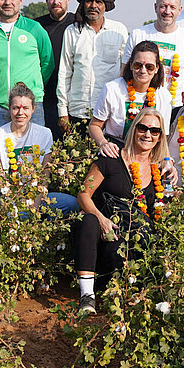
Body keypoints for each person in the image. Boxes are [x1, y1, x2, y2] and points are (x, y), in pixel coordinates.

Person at [75, 107, 169, 314]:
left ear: (160, 137)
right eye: (143, 128)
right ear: (134, 130)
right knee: (88, 220)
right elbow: (83, 194)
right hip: (99, 238)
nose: (147, 135)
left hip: (127, 245)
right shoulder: (111, 158)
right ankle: (87, 296)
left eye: (154, 131)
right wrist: (102, 219)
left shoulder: (157, 171)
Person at [0, 83, 78, 213]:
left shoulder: (45, 133)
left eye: (26, 108)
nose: (20, 113)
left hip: (37, 195)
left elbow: (45, 175)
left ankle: (43, 228)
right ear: (9, 108)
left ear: (33, 109)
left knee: (72, 203)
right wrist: (17, 200)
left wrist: (35, 203)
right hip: (8, 196)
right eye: (16, 108)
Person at [0, 0, 54, 129]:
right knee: (2, 150)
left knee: (34, 150)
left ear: (20, 0)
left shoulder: (34, 28)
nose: (7, 2)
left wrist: (33, 85)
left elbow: (47, 63)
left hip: (31, 105)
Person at [57, 0, 128, 135]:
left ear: (105, 6)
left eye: (98, 2)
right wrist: (62, 112)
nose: (93, 6)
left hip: (109, 112)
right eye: (89, 1)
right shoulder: (72, 31)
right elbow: (65, 72)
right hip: (77, 111)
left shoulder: (118, 30)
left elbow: (125, 71)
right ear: (83, 4)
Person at [91, 41, 173, 155]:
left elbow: (162, 138)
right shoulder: (112, 89)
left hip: (147, 155)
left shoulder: (164, 96)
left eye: (149, 67)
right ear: (130, 66)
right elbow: (94, 125)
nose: (143, 70)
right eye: (137, 65)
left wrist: (167, 160)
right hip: (115, 151)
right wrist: (103, 143)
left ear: (157, 68)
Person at [121, 0, 184, 107]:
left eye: (172, 7)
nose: (167, 12)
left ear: (179, 10)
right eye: (163, 6)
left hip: (173, 106)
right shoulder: (138, 34)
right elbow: (124, 72)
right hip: (138, 105)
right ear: (155, 7)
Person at [34, 0, 76, 139]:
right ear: (46, 0)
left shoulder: (77, 24)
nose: (56, 2)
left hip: (71, 98)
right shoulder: (36, 26)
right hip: (45, 96)